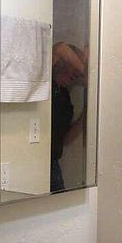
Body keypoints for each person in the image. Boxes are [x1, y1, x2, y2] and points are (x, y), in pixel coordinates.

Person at [51, 42, 88, 192]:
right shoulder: (44, 80)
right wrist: (87, 74)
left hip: (53, 165)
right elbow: (60, 48)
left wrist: (87, 112)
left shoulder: (65, 99)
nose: (77, 74)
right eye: (75, 66)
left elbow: (65, 139)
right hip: (32, 160)